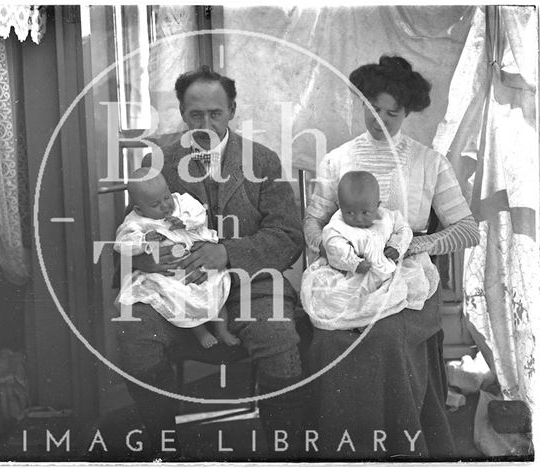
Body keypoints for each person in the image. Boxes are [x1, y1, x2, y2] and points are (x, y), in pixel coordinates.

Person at [114, 65, 306, 459]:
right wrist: (147, 261)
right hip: (177, 286)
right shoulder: (159, 162)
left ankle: (287, 455)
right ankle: (165, 449)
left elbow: (289, 236)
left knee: (278, 337)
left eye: (215, 113)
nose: (205, 123)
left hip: (251, 283)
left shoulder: (262, 161)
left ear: (231, 110)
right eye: (195, 114)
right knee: (134, 331)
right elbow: (134, 227)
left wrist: (228, 253)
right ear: (183, 114)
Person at [304, 55, 480, 459]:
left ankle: (399, 451)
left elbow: (468, 229)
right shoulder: (337, 160)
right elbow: (312, 222)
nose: (379, 119)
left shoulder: (428, 161)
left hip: (408, 275)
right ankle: (339, 449)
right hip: (345, 270)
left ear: (408, 112)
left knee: (383, 337)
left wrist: (419, 245)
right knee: (332, 340)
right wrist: (332, 250)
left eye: (392, 112)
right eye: (372, 108)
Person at [115, 168, 239, 348]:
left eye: (166, 197)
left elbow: (199, 213)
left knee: (216, 287)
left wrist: (186, 222)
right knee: (178, 300)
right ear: (138, 209)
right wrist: (143, 241)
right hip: (169, 275)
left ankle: (222, 329)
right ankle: (201, 332)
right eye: (156, 204)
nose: (165, 206)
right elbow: (122, 243)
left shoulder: (182, 203)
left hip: (202, 263)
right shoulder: (135, 222)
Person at [300, 170, 438, 331]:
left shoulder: (389, 217)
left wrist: (396, 246)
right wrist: (353, 262)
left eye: (365, 212)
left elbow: (403, 230)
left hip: (386, 268)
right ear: (340, 206)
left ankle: (378, 313)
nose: (358, 218)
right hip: (351, 274)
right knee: (333, 297)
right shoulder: (336, 224)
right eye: (349, 212)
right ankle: (357, 319)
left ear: (377, 206)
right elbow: (333, 245)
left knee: (410, 280)